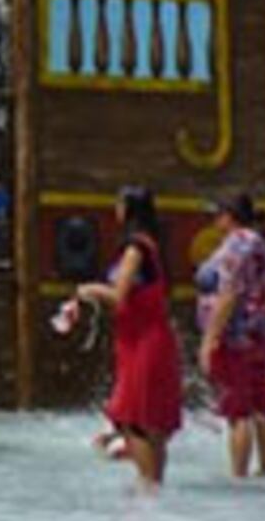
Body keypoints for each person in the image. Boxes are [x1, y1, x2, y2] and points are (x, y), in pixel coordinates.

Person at [65, 185, 182, 489]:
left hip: (142, 342)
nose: (114, 210)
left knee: (134, 422)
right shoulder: (154, 246)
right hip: (152, 338)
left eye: (118, 204)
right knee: (152, 422)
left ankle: (147, 488)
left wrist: (85, 290)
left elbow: (118, 296)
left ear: (128, 210)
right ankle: (155, 492)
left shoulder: (135, 248)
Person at [196, 191, 265, 479]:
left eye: (216, 215)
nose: (213, 221)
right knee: (261, 405)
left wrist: (210, 340)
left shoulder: (235, 247)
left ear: (228, 216)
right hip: (261, 332)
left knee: (238, 410)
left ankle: (239, 476)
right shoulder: (261, 244)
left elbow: (228, 294)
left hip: (236, 336)